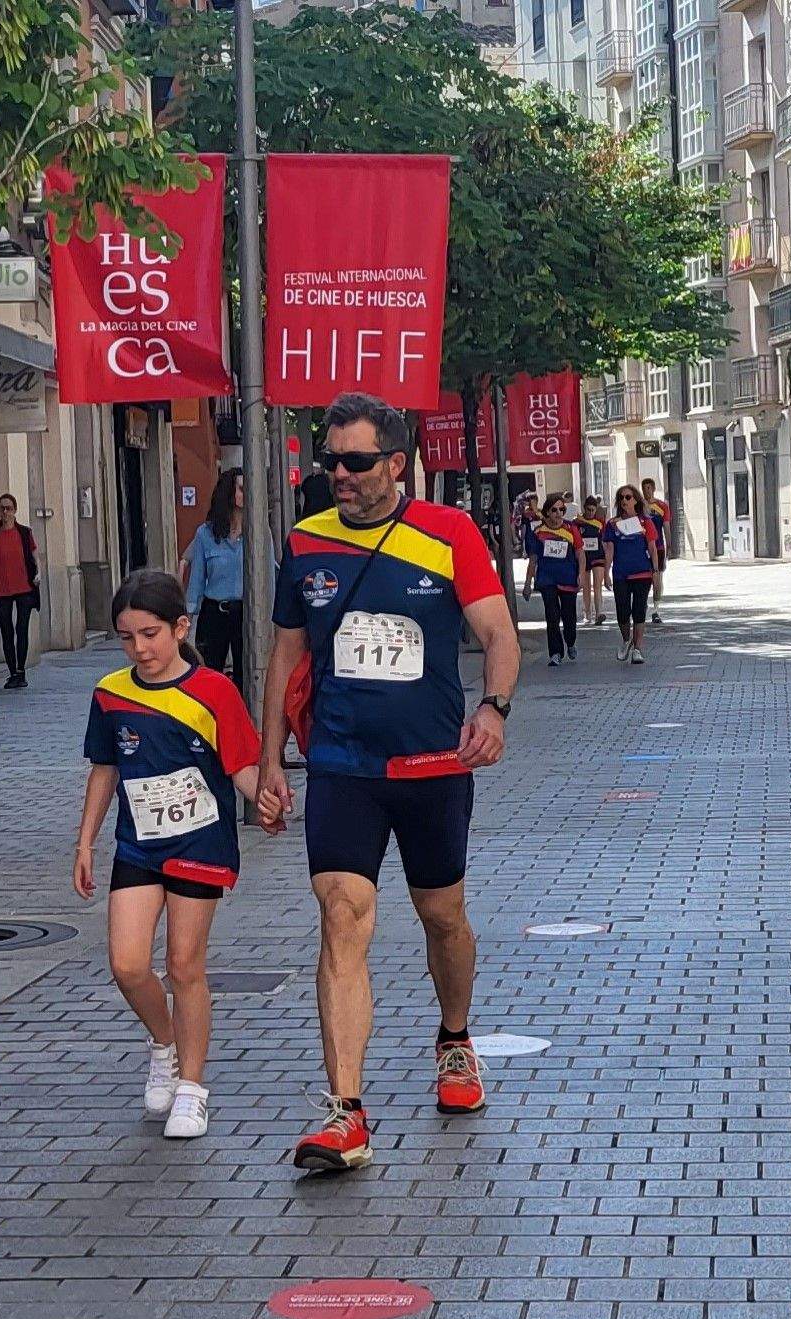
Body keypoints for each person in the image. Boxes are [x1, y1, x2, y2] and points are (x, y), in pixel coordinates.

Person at [256, 391, 521, 1173]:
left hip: (434, 767)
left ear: (396, 464)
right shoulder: (304, 545)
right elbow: (284, 656)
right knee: (343, 915)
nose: (340, 473)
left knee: (443, 917)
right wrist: (270, 759)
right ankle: (344, 1113)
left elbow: (498, 631)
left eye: (357, 461)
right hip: (343, 766)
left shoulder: (448, 534)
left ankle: (455, 1039)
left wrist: (496, 710)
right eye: (332, 459)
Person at [74, 570, 270, 1141]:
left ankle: (192, 1088)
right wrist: (85, 841)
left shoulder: (214, 692)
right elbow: (104, 769)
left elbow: (241, 767)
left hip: (200, 843)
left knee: (185, 964)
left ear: (181, 628)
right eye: (127, 637)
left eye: (151, 634)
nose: (140, 648)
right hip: (137, 844)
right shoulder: (111, 693)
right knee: (128, 964)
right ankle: (164, 1044)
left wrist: (267, 801)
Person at [185, 469, 246, 686]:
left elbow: (269, 582)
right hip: (214, 613)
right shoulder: (205, 535)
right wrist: (187, 620)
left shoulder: (258, 534)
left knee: (246, 676)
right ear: (228, 493)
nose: (246, 493)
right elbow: (197, 581)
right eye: (240, 488)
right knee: (209, 675)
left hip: (246, 614)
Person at [0, 494, 41, 689]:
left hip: (24, 588)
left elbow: (35, 556)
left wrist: (39, 574)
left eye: (9, 508)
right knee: (6, 631)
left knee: (21, 629)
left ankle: (21, 671)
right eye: (2, 508)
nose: (5, 512)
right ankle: (12, 672)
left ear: (15, 510)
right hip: (1, 590)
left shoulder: (24, 533)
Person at [606, 485, 661, 665]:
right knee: (622, 611)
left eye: (628, 497)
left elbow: (652, 548)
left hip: (642, 572)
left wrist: (655, 571)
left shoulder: (645, 522)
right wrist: (606, 572)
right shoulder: (612, 524)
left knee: (639, 610)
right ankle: (626, 639)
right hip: (621, 573)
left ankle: (637, 649)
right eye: (621, 498)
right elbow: (609, 550)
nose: (624, 501)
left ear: (636, 500)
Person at [530, 493, 584, 667]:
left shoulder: (571, 529)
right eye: (554, 510)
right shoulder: (538, 531)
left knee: (569, 616)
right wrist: (527, 583)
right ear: (546, 512)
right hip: (547, 579)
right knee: (552, 616)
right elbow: (533, 558)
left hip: (568, 578)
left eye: (562, 509)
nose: (558, 513)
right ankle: (555, 652)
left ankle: (571, 642)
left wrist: (581, 574)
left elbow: (580, 553)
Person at [641, 477, 671, 624]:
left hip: (658, 546)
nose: (646, 491)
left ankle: (656, 609)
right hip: (642, 548)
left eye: (648, 488)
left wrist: (669, 546)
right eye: (643, 488)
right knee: (645, 579)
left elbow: (666, 527)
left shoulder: (662, 506)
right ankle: (643, 604)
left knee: (657, 578)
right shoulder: (639, 506)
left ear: (653, 488)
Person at [578, 495, 609, 626]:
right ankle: (587, 614)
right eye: (588, 510)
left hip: (598, 556)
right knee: (586, 586)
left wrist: (608, 562)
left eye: (593, 510)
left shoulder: (600, 523)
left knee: (597, 585)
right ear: (584, 509)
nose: (591, 513)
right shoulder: (577, 522)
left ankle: (599, 613)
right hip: (584, 557)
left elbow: (605, 542)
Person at [515, 495, 542, 601]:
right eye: (531, 502)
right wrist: (522, 542)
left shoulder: (541, 512)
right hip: (531, 540)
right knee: (533, 561)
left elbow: (542, 519)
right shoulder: (526, 514)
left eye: (534, 501)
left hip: (540, 539)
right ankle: (527, 584)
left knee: (538, 561)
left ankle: (537, 581)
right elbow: (524, 528)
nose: (532, 504)